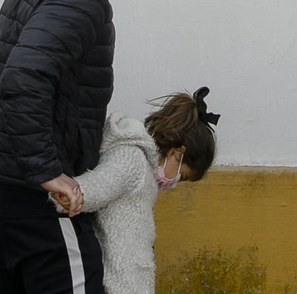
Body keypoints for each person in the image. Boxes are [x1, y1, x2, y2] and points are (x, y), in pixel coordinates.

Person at [0, 0, 144, 294]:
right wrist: (47, 171)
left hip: (4, 194)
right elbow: (21, 77)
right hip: (39, 203)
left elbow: (3, 70)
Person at [59, 88, 219, 294]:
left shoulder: (145, 171)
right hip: (116, 284)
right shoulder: (133, 160)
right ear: (177, 152)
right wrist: (70, 194)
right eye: (183, 176)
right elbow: (101, 184)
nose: (175, 182)